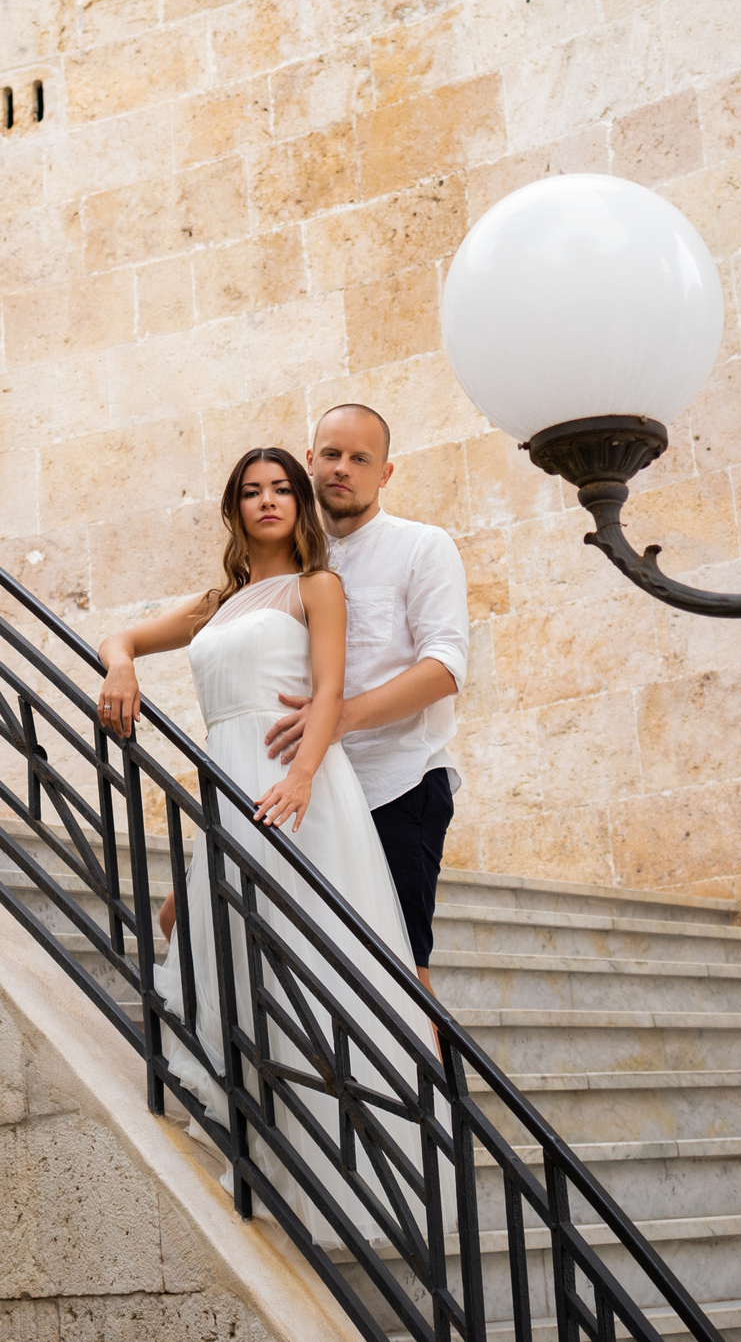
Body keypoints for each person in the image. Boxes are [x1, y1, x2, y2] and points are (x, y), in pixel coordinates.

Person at [95, 445, 423, 1245]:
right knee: (211, 933)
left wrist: (306, 775)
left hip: (292, 783)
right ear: (235, 507)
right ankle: (262, 1149)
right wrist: (120, 672)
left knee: (301, 959)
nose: (268, 500)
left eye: (282, 488)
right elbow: (123, 636)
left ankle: (344, 1178)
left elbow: (331, 688)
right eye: (252, 490)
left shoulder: (318, 585)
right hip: (228, 781)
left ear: (299, 502)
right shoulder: (219, 600)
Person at [265, 404, 467, 993]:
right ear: (309, 461)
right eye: (331, 454)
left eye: (360, 458)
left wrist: (339, 717)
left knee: (401, 975)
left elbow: (445, 667)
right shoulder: (291, 564)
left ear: (386, 473)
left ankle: (435, 1089)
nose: (342, 469)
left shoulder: (422, 548)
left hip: (397, 786)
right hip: (306, 783)